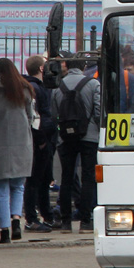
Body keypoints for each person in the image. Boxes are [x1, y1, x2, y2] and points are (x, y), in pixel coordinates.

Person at [0, 58, 35, 243]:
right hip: (21, 143)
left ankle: (4, 230)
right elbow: (30, 116)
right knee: (18, 186)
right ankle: (16, 220)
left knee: (1, 189)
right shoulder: (24, 89)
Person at [53, 53, 101, 233]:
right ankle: (86, 221)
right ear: (84, 67)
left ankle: (66, 223)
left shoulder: (59, 86)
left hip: (65, 138)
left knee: (67, 177)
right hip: (89, 136)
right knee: (88, 177)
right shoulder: (93, 84)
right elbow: (98, 110)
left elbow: (53, 113)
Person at [22, 55, 56, 232]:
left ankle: (47, 215)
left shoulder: (38, 87)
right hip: (39, 140)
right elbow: (36, 117)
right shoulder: (35, 88)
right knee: (35, 180)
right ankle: (31, 218)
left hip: (42, 139)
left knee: (43, 180)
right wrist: (42, 140)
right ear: (42, 69)